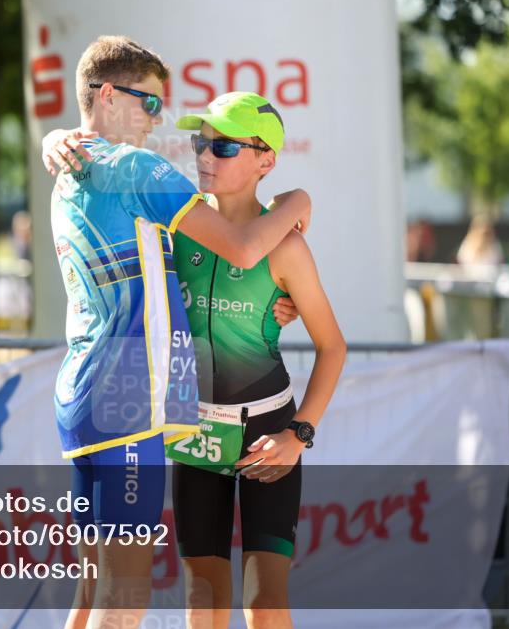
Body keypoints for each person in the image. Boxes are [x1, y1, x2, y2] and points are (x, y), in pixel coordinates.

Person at [43, 36, 310, 629]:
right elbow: (241, 248)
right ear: (108, 96)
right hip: (128, 398)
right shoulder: (135, 167)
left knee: (90, 592)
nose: (158, 122)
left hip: (82, 396)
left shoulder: (68, 168)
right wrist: (294, 201)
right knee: (125, 596)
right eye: (151, 104)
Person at [166, 92, 346, 629]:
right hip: (195, 429)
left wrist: (299, 434)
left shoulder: (287, 248)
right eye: (201, 143)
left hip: (267, 429)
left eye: (222, 146)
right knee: (203, 601)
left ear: (265, 159)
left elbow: (333, 346)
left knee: (264, 606)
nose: (204, 156)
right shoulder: (177, 228)